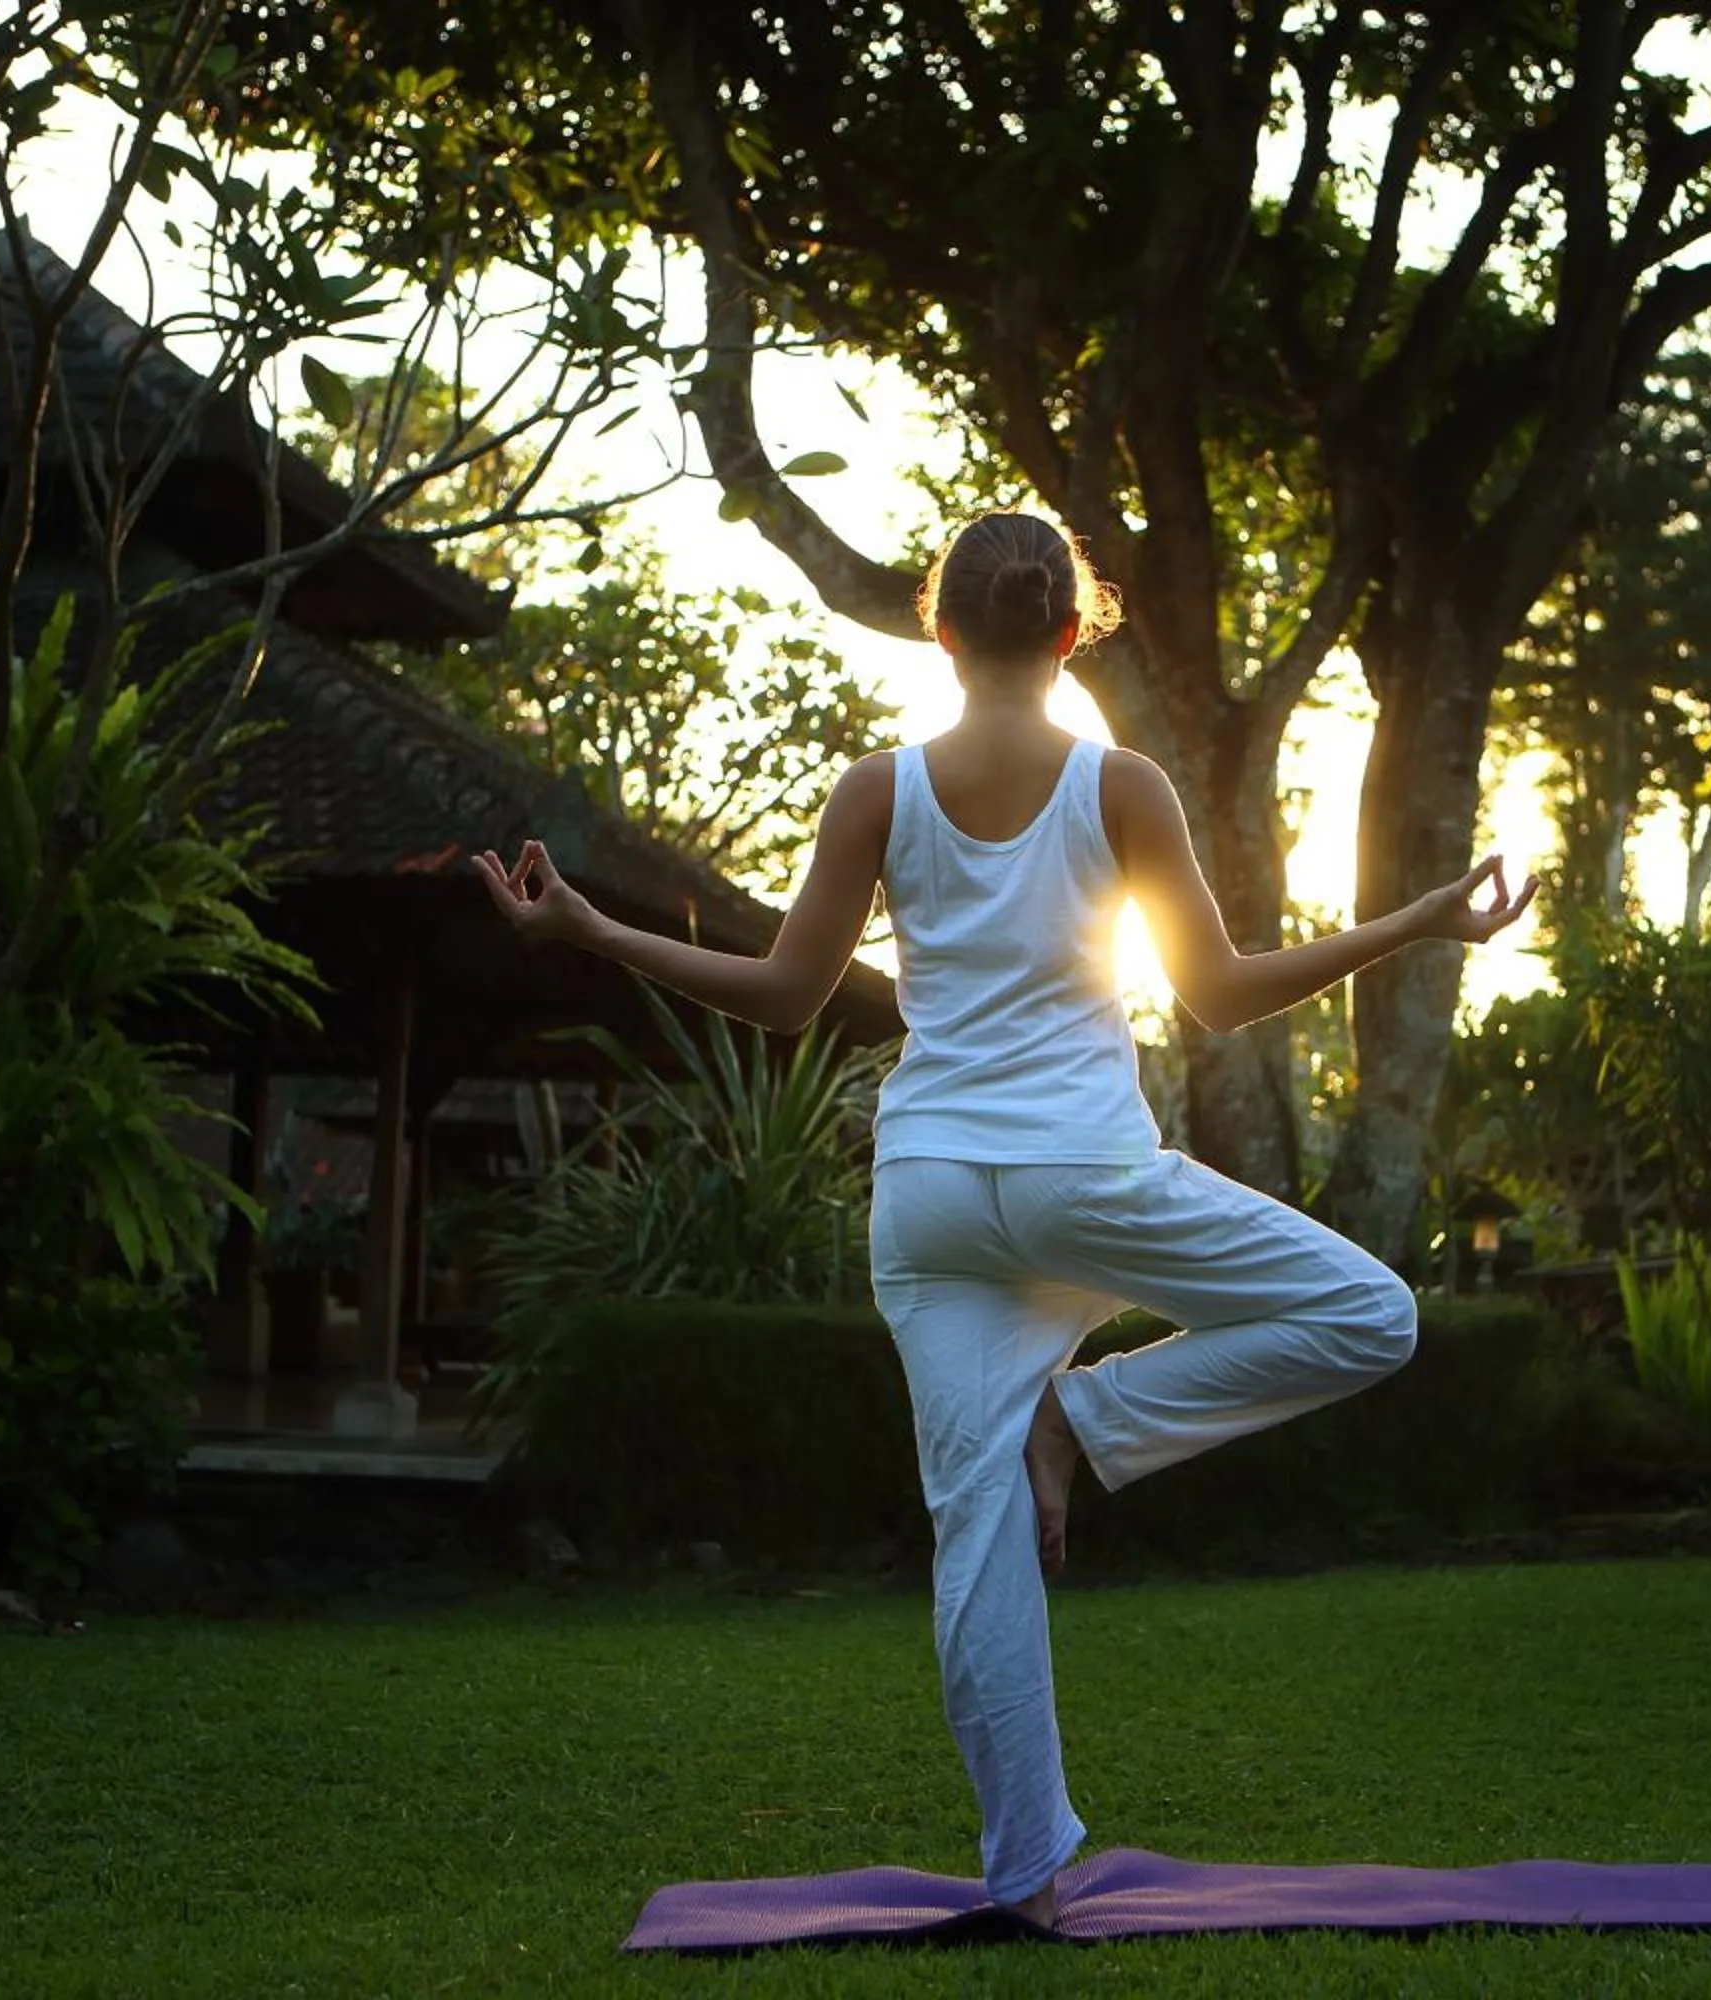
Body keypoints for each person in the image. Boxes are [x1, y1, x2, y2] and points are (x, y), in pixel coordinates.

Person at [473, 511, 1536, 1930]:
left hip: (928, 1200)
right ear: (1068, 633)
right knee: (1370, 1314)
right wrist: (1415, 924)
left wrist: (595, 936)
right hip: (1081, 1177)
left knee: (973, 1536)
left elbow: (788, 996)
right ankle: (1084, 1427)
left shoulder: (879, 790)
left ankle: (1027, 1870)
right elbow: (1218, 997)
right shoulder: (1121, 785)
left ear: (942, 629)